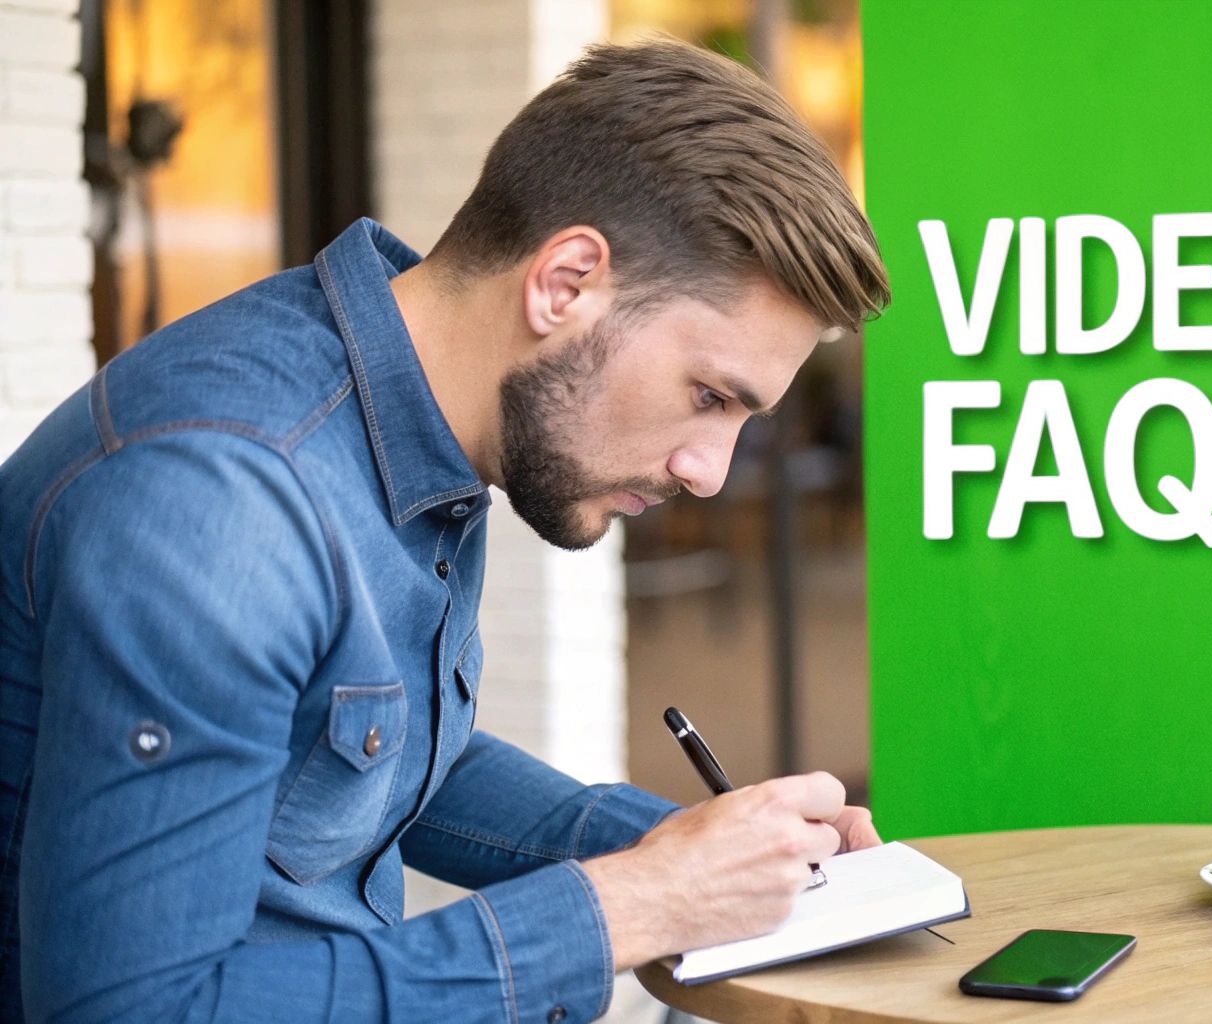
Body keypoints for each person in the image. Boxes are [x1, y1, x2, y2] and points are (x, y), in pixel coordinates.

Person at [0, 40, 889, 1024]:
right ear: (565, 283)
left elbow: (373, 758)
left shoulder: (416, 425)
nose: (707, 470)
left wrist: (693, 847)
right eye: (707, 396)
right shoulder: (224, 504)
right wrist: (627, 905)